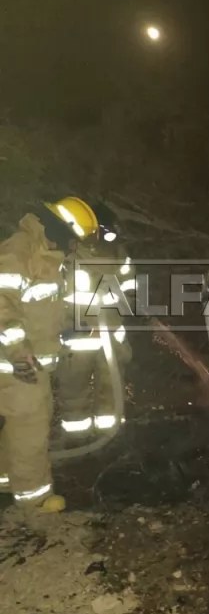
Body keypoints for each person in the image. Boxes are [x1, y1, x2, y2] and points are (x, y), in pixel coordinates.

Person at [0, 196, 99, 514]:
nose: (73, 246)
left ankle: (6, 483)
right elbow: (2, 305)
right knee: (30, 431)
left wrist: (67, 328)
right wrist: (19, 352)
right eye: (74, 238)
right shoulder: (20, 251)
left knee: (16, 427)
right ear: (61, 228)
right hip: (17, 365)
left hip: (25, 363)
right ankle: (36, 503)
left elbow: (42, 305)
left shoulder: (45, 255)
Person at [56, 200, 133, 439]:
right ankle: (76, 438)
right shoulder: (67, 253)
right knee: (74, 389)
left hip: (110, 334)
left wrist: (122, 312)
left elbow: (129, 288)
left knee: (111, 387)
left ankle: (110, 435)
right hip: (78, 336)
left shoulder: (118, 253)